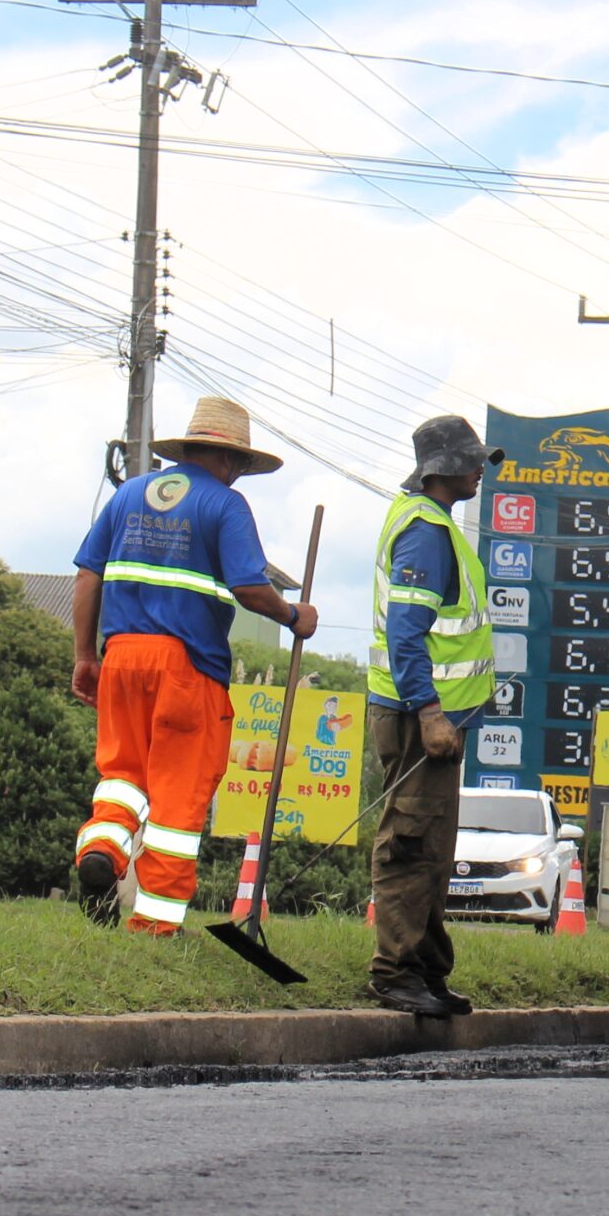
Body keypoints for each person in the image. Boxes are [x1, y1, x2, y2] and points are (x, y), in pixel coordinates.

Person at [69, 397, 316, 934]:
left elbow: (88, 575)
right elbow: (251, 587)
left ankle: (104, 851)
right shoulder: (224, 505)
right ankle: (154, 924)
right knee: (179, 798)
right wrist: (294, 614)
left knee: (121, 778)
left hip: (120, 656)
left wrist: (85, 656)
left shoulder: (130, 493)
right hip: (186, 667)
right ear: (232, 461)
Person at [363, 414, 506, 1017]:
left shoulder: (435, 523)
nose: (481, 470)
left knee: (432, 849)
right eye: (473, 461)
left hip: (434, 718)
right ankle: (395, 973)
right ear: (442, 468)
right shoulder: (425, 530)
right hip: (419, 716)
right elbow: (406, 633)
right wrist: (429, 712)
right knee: (411, 843)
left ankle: (425, 969)